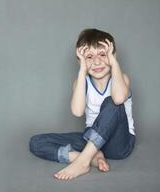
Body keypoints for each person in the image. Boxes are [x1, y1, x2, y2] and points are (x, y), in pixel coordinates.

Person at [29, 28, 136, 180]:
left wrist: (113, 62)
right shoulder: (81, 82)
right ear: (81, 60)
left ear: (113, 55)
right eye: (89, 57)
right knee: (37, 142)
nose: (97, 62)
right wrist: (82, 72)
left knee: (112, 102)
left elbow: (118, 99)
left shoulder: (121, 79)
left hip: (119, 144)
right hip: (91, 139)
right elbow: (78, 111)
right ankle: (89, 157)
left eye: (103, 54)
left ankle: (83, 162)